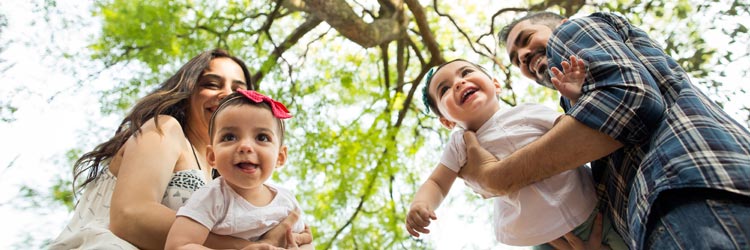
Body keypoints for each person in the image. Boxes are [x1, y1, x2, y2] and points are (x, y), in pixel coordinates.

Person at [459, 11, 750, 249]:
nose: (523, 55)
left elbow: (630, 102)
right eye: (516, 58)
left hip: (688, 191)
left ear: (561, 24)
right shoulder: (574, 107)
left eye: (525, 39)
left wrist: (497, 178)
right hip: (661, 218)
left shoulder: (569, 33)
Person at [49, 49, 312, 250]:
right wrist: (247, 246)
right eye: (212, 84)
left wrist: (287, 237)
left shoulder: (225, 183)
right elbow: (130, 217)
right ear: (188, 90)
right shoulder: (165, 128)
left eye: (237, 90)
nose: (225, 94)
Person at [405, 58, 626, 249]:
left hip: (594, 210)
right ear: (446, 121)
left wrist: (575, 98)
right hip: (545, 238)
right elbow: (437, 182)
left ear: (495, 85)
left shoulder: (528, 111)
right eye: (444, 89)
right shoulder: (460, 143)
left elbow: (575, 132)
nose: (459, 83)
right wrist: (421, 204)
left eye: (466, 72)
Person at [165, 90, 313, 250]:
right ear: (212, 156)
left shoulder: (287, 202)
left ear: (280, 157)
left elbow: (305, 242)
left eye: (262, 137)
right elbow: (177, 246)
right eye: (229, 137)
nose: (245, 146)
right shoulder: (212, 197)